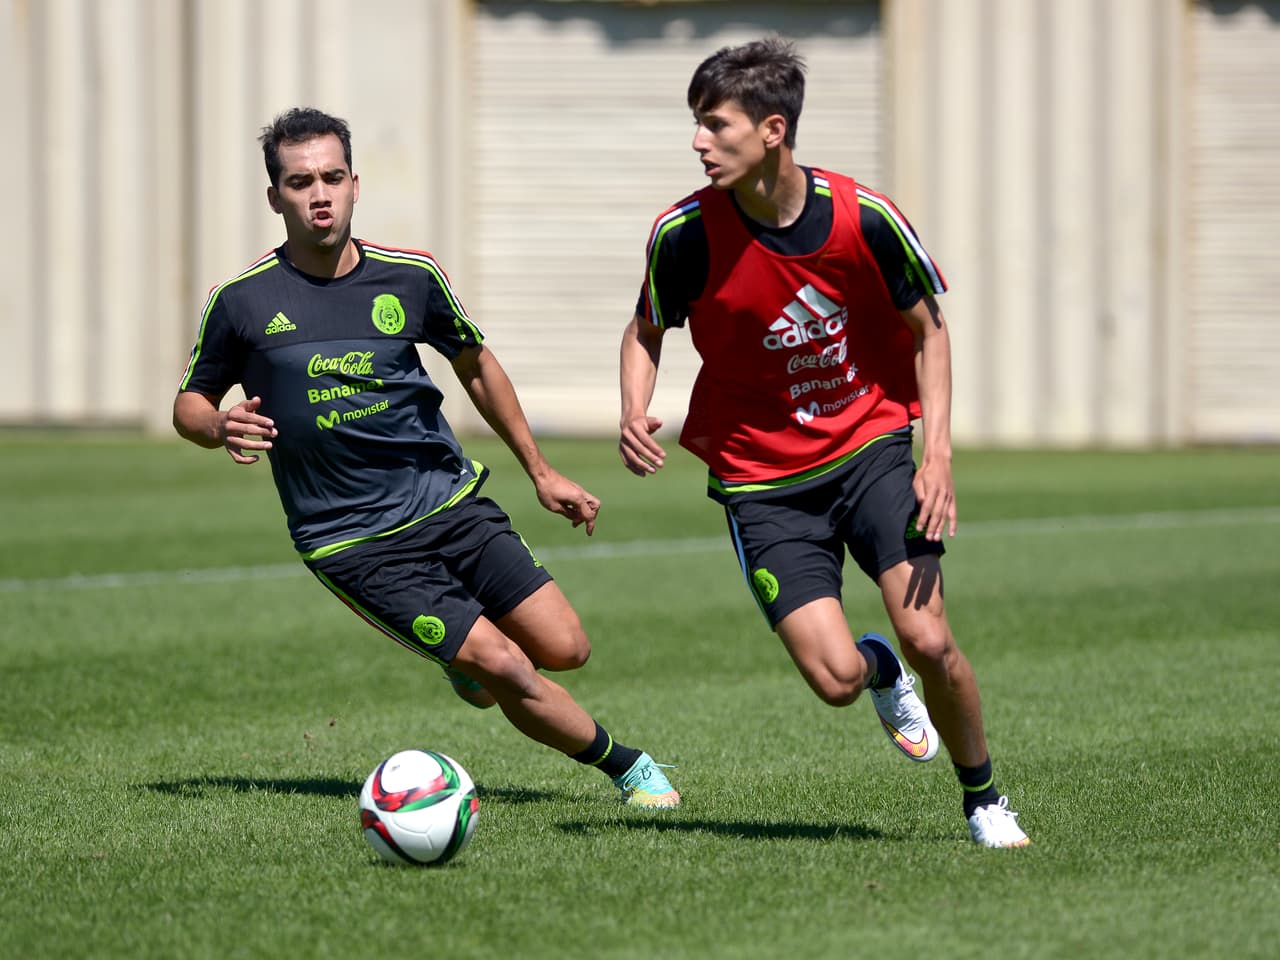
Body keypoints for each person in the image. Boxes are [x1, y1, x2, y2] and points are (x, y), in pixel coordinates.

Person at [175, 106, 678, 808]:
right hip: (351, 538)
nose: (318, 194)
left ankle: (467, 666)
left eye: (331, 177)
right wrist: (218, 426)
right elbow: (190, 402)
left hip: (448, 500)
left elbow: (476, 366)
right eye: (299, 182)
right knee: (505, 663)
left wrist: (540, 470)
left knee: (566, 648)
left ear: (355, 184)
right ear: (274, 197)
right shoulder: (241, 301)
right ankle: (630, 768)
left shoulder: (410, 277)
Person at [618, 39, 1027, 845]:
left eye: (714, 124)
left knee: (931, 634)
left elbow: (929, 331)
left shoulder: (863, 219)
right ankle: (879, 670)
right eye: (695, 125)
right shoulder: (683, 234)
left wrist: (936, 453)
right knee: (837, 680)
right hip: (762, 481)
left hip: (869, 447)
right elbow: (644, 328)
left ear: (773, 130)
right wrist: (633, 406)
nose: (699, 141)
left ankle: (983, 799)